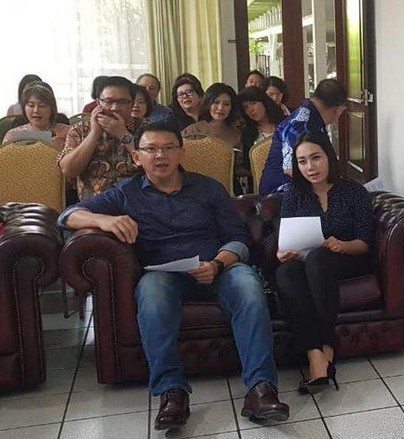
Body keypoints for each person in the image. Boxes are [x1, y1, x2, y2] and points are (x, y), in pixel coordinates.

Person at [57, 122, 290, 431]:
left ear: (182, 153)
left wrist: (217, 264)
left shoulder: (209, 188)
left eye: (168, 148)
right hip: (163, 275)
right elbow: (67, 216)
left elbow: (239, 238)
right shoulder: (126, 193)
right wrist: (104, 220)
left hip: (217, 267)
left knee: (249, 286)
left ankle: (261, 390)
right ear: (137, 157)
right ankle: (172, 392)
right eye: (151, 149)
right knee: (151, 294)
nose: (160, 156)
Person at [275, 131, 373, 394]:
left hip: (347, 259)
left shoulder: (354, 191)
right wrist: (283, 254)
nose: (310, 167)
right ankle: (315, 356)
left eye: (316, 158)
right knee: (286, 272)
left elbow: (365, 243)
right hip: (305, 262)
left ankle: (328, 348)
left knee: (319, 258)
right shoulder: (294, 195)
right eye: (302, 161)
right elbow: (284, 241)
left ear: (329, 156)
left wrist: (342, 245)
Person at [58, 76, 144, 201]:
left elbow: (156, 167)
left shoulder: (146, 127)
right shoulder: (81, 129)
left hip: (137, 202)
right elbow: (68, 170)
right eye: (108, 101)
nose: (115, 107)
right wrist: (94, 133)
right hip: (93, 206)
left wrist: (123, 134)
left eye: (122, 102)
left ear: (132, 104)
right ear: (98, 103)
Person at [258, 78, 347, 195]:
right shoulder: (300, 125)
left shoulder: (312, 116)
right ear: (338, 110)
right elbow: (291, 170)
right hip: (282, 193)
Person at [182, 83, 247, 194]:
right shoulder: (191, 131)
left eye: (226, 104)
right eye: (216, 102)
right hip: (194, 187)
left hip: (227, 188)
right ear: (208, 103)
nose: (220, 108)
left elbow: (238, 168)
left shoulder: (236, 133)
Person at [238, 86, 286, 190]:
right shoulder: (247, 133)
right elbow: (246, 165)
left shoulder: (286, 124)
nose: (251, 110)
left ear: (264, 101)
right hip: (260, 186)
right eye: (246, 108)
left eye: (253, 103)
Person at [3, 81, 70, 150]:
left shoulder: (68, 133)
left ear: (52, 108)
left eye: (42, 105)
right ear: (24, 108)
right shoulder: (12, 135)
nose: (36, 110)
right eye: (31, 105)